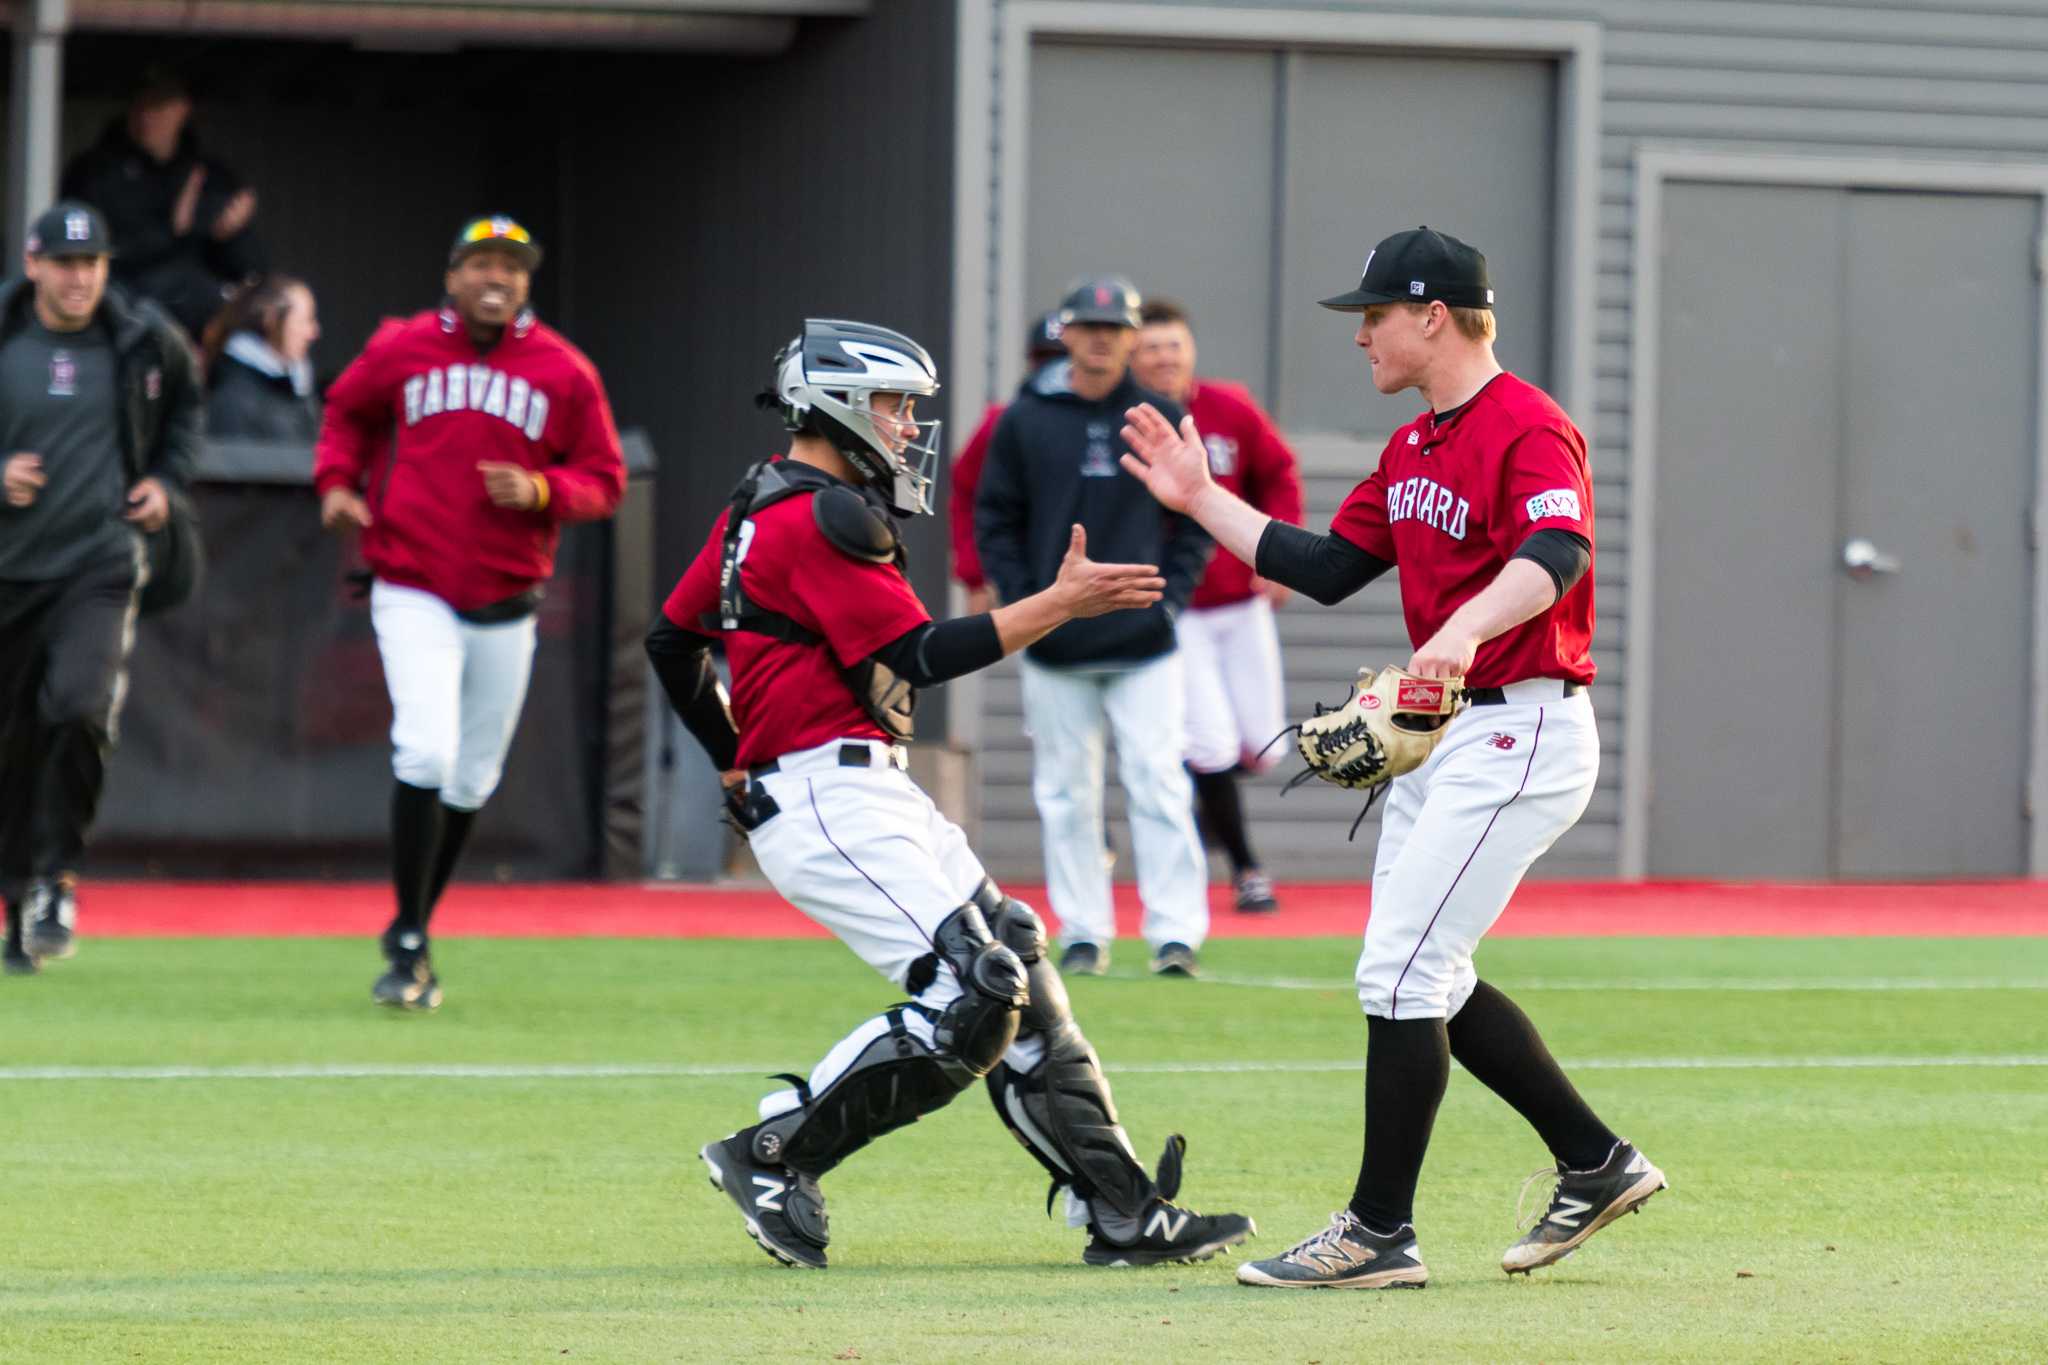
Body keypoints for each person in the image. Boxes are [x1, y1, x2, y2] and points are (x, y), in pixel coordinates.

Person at [1120, 227, 1664, 1289]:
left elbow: (1557, 553)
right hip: (1447, 740)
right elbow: (1322, 566)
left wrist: (1461, 629)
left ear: (1432, 316)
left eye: (1373, 314)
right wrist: (1197, 500)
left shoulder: (1527, 426)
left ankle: (1376, 1233)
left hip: (1521, 728)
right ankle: (1595, 1162)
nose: (1359, 333)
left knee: (1399, 971)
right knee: (1427, 973)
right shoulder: (1411, 449)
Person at [651, 318, 1253, 1272]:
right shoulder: (820, 515)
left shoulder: (758, 504)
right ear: (840, 406)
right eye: (895, 405)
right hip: (826, 798)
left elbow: (671, 641)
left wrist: (735, 758)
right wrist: (1058, 603)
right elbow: (920, 656)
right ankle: (773, 1155)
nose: (906, 426)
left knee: (1018, 966)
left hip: (851, 788)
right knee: (971, 995)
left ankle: (1124, 1211)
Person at [313, 215, 625, 1011]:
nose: (499, 278)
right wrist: (336, 484)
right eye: (484, 263)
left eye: (514, 268)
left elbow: (606, 475)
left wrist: (548, 489)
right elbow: (346, 410)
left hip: (508, 600)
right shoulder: (405, 345)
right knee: (425, 749)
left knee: (472, 775)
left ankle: (412, 923)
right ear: (452, 274)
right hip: (412, 580)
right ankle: (410, 937)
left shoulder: (563, 369)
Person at [974, 277, 1213, 978]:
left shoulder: (1159, 413)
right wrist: (1028, 607)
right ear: (1067, 334)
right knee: (1066, 790)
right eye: (1091, 327)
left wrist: (1170, 601)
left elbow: (1194, 517)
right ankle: (1084, 929)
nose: (1104, 339)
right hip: (1055, 644)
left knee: (1158, 780)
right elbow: (996, 520)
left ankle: (1175, 933)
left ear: (1133, 337)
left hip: (1144, 640)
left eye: (1117, 328)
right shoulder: (1024, 420)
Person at [1, 202, 201, 975]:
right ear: (35, 263)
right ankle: (19, 897)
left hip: (97, 561)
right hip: (8, 567)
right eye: (64, 262)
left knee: (79, 708)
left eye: (91, 263)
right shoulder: (8, 335)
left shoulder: (142, 337)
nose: (79, 277)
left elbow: (185, 410)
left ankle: (57, 877)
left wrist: (165, 482)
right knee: (13, 741)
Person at [1129, 298, 1304, 915]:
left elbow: (1279, 472)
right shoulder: (1123, 421)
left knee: (1263, 746)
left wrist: (1280, 552)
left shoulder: (1228, 407)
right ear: (1133, 355)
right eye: (1151, 347)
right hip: (1179, 610)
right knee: (1212, 744)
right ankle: (1247, 868)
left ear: (1191, 350)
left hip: (1239, 602)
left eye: (1173, 344)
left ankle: (1206, 806)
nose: (1164, 357)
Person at [60, 71, 263, 340]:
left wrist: (232, 235)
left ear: (182, 109)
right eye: (140, 105)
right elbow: (87, 251)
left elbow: (249, 271)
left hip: (196, 329)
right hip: (124, 313)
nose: (147, 116)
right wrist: (173, 231)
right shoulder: (95, 172)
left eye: (159, 106)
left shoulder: (208, 176)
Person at [947, 310, 1066, 612]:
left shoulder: (1114, 419)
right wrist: (976, 577)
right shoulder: (1004, 421)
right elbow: (966, 494)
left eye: (1063, 358)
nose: (1053, 368)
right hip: (1024, 578)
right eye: (1044, 358)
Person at [201, 274, 321, 442]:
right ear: (271, 319)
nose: (313, 332)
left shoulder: (298, 391)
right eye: (305, 321)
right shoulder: (234, 398)